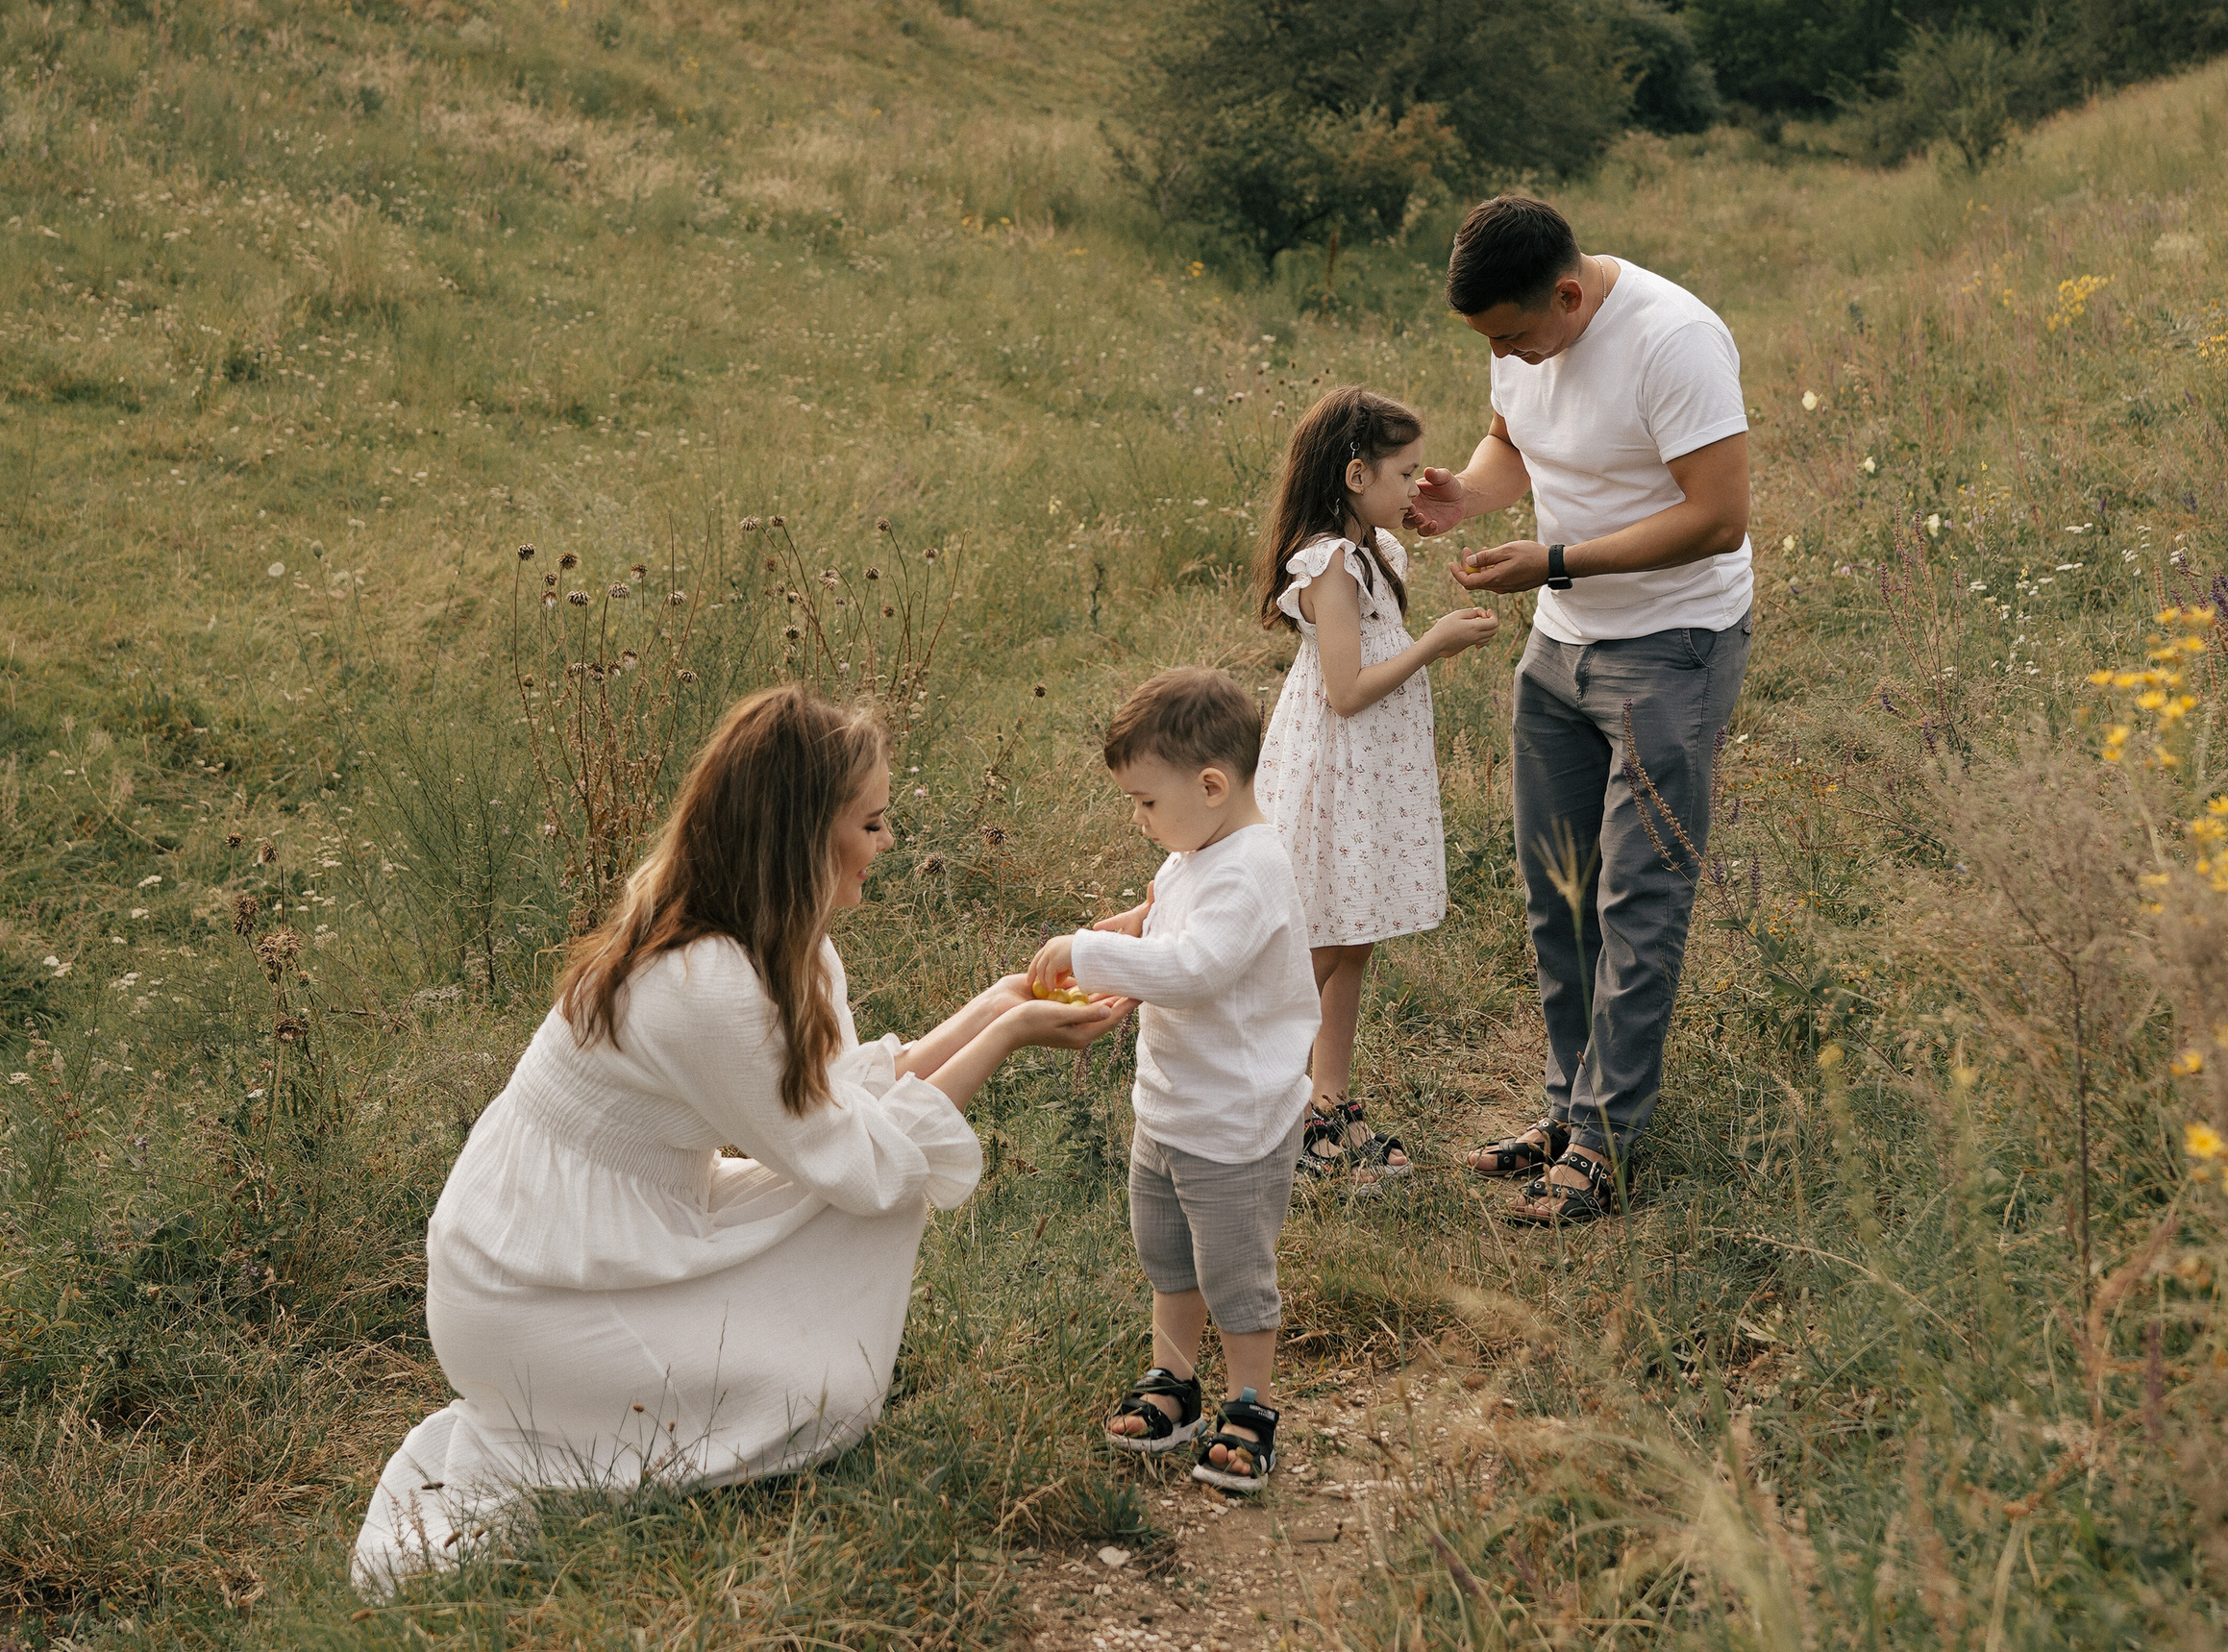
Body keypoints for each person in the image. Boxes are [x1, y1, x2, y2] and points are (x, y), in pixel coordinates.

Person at [351, 685, 1126, 1590]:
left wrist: (998, 1001)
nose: (886, 845)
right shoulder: (704, 984)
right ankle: (574, 1417)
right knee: (817, 1360)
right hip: (530, 1284)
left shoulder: (770, 940)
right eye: (870, 824)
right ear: (803, 837)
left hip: (610, 1233)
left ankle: (648, 1396)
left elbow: (840, 1109)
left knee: (835, 1247)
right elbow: (861, 1162)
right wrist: (1004, 1037)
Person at [1405, 193, 1752, 1225]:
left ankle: (1606, 1142)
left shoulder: (1673, 339)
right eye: (1491, 344)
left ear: (1567, 292)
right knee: (1556, 890)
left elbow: (1719, 517)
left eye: (1515, 336)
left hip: (1670, 646)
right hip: (1560, 649)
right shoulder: (1520, 338)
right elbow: (1512, 440)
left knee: (1636, 900)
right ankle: (1566, 1110)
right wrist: (1468, 491)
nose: (1507, 355)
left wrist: (1553, 561)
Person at [1027, 668, 1319, 1496]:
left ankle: (1249, 1408)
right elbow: (1169, 917)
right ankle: (1175, 1386)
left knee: (1235, 1273)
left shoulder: (1251, 866)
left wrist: (1090, 950)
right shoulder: (1199, 850)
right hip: (1169, 1111)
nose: (1140, 818)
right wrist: (1132, 925)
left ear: (1213, 785)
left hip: (1235, 1123)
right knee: (1169, 1259)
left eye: (1148, 802)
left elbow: (1197, 967)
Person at [1250, 385, 1498, 1186]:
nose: (1415, 486)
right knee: (1318, 945)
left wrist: (1421, 524)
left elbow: (1371, 660)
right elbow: (1347, 688)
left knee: (1355, 932)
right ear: (1357, 477)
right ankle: (1264, 1108)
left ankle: (1331, 1102)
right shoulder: (1328, 565)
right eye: (1405, 473)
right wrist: (1434, 645)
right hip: (1337, 763)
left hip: (1373, 767)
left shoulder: (1377, 552)